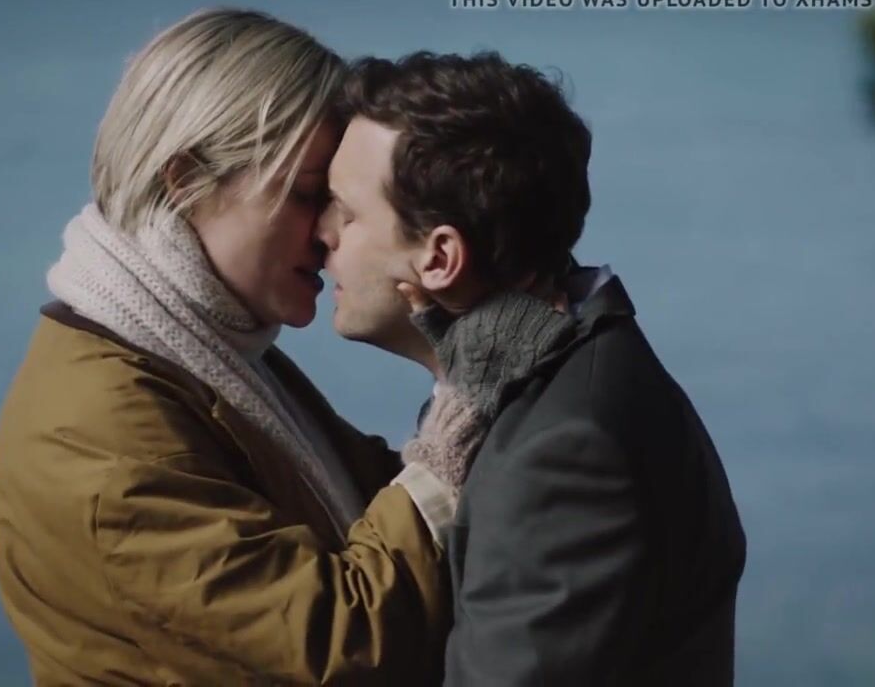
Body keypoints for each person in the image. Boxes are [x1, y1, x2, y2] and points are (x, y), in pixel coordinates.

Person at [0, 8, 505, 685]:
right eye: (308, 195)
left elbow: (363, 503)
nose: (331, 231)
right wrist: (463, 414)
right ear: (185, 181)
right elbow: (341, 642)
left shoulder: (191, 357)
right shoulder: (94, 438)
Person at [318, 51, 749, 685]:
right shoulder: (538, 381)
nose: (322, 234)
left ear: (439, 259)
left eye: (347, 213)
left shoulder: (566, 449)